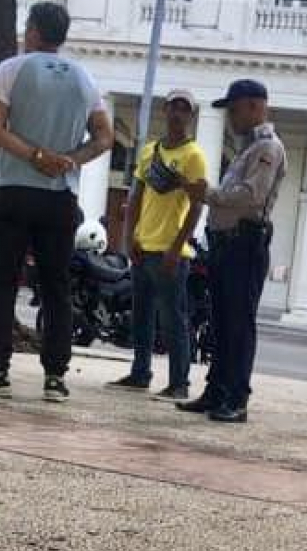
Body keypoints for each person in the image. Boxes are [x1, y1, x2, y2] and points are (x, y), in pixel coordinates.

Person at [0, 2, 114, 402]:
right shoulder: (84, 79)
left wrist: (33, 156)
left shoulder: (10, 70)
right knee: (56, 285)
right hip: (61, 195)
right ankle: (56, 377)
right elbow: (104, 136)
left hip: (14, 188)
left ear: (31, 31)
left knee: (3, 282)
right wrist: (70, 160)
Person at [176, 79, 285, 423]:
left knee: (238, 322)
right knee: (220, 322)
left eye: (235, 110)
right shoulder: (248, 148)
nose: (231, 118)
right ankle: (216, 391)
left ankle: (236, 397)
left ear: (255, 106)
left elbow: (251, 195)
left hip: (245, 242)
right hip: (227, 243)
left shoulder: (267, 149)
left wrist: (207, 194)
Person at [106, 89, 206, 401]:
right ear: (164, 111)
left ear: (190, 116)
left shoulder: (193, 156)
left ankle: (179, 382)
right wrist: (129, 238)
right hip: (142, 246)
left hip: (169, 252)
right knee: (142, 315)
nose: (177, 114)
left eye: (183, 109)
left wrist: (177, 247)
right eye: (172, 107)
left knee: (173, 318)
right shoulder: (150, 151)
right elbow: (135, 197)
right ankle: (140, 372)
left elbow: (197, 204)